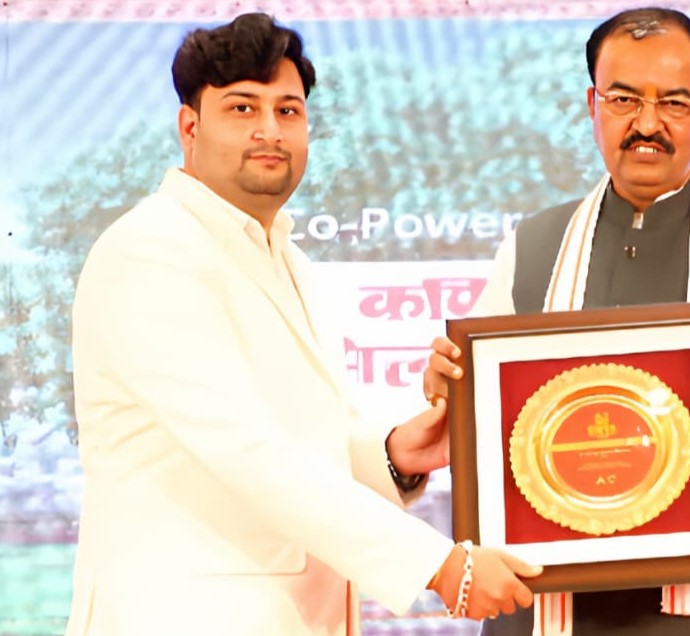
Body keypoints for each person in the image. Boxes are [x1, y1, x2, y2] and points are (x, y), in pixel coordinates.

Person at [67, 13, 538, 636]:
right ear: (189, 126)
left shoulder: (287, 258)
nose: (269, 131)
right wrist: (439, 565)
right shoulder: (150, 250)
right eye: (242, 108)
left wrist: (397, 455)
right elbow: (244, 449)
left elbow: (300, 436)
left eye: (288, 111)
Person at [423, 7, 690, 636]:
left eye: (675, 103)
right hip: (539, 614)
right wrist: (450, 390)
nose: (647, 124)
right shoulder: (532, 245)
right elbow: (483, 424)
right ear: (592, 105)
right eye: (624, 99)